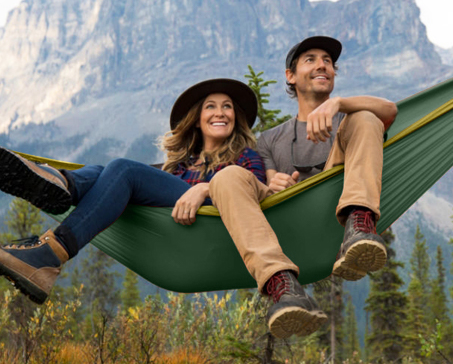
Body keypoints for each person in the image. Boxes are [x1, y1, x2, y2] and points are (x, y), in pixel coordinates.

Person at [0, 79, 329, 338]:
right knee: (107, 175)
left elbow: (250, 196)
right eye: (211, 107)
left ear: (236, 117)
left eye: (228, 107)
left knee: (124, 170)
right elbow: (122, 186)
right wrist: (191, 182)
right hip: (180, 224)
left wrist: (203, 187)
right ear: (197, 120)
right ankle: (61, 186)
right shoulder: (177, 168)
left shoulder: (246, 155)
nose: (221, 112)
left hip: (220, 218)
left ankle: (51, 244)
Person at [254, 35, 397, 282]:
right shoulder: (268, 139)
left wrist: (338, 104)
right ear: (290, 76)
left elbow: (390, 110)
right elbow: (267, 184)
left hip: (341, 217)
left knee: (366, 118)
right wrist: (274, 185)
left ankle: (360, 225)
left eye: (328, 61)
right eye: (311, 60)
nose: (323, 66)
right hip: (296, 224)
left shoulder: (349, 121)